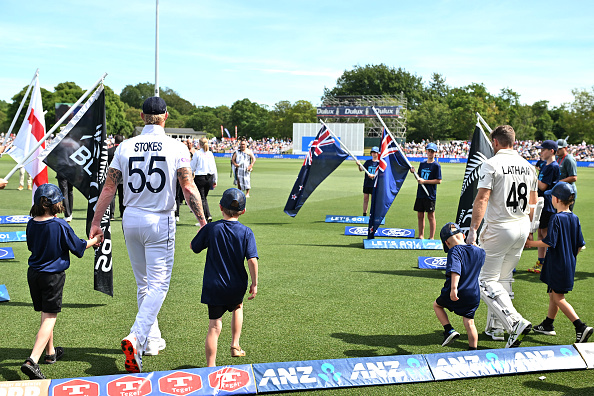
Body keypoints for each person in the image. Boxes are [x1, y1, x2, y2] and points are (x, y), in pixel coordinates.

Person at [89, 97, 207, 373]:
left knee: (144, 283)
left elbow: (108, 188)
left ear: (142, 116)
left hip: (130, 218)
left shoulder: (124, 146)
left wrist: (97, 222)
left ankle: (152, 341)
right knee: (159, 285)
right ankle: (137, 336)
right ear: (165, 116)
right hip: (159, 219)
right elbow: (188, 187)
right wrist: (202, 221)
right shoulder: (176, 146)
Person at [467, 125, 538, 348]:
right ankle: (497, 328)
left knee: (484, 281)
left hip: (500, 227)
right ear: (513, 142)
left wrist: (472, 231)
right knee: (503, 279)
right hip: (522, 224)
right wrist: (529, 229)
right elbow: (534, 202)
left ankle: (514, 322)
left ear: (495, 143)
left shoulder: (492, 163)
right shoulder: (529, 166)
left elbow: (482, 199)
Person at [21, 184, 97, 380]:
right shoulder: (60, 225)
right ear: (56, 204)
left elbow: (31, 246)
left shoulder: (31, 223)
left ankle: (50, 353)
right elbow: (78, 247)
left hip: (34, 274)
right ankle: (32, 361)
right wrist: (95, 240)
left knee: (45, 313)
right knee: (50, 317)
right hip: (52, 276)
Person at [191, 188, 258, 367]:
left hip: (214, 285)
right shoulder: (246, 232)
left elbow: (194, 247)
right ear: (243, 211)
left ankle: (211, 367)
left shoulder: (212, 228)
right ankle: (235, 345)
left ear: (220, 207)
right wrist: (254, 283)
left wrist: (203, 231)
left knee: (214, 326)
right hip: (236, 284)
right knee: (237, 307)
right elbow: (252, 260)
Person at [525, 182, 592, 343]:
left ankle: (580, 326)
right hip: (569, 263)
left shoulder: (556, 218)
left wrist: (530, 244)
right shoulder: (574, 218)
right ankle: (548, 324)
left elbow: (549, 242)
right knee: (553, 293)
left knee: (558, 297)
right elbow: (579, 244)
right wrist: (569, 256)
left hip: (557, 264)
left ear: (556, 199)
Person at [434, 222, 485, 350]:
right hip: (473, 294)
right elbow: (481, 253)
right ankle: (473, 350)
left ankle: (449, 330)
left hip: (458, 291)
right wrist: (475, 247)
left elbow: (455, 269)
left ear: (447, 243)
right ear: (463, 235)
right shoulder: (479, 252)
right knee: (470, 323)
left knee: (437, 305)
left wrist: (453, 288)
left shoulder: (454, 251)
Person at [529, 140, 559, 274]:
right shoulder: (546, 165)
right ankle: (541, 262)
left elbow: (542, 186)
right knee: (541, 232)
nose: (541, 152)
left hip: (547, 203)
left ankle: (548, 262)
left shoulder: (553, 166)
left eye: (543, 149)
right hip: (542, 203)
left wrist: (531, 177)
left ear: (551, 151)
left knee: (546, 234)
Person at [410, 143, 442, 239]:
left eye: (432, 151)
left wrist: (425, 181)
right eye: (429, 151)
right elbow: (419, 178)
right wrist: (414, 173)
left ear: (435, 153)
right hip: (420, 193)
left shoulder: (436, 166)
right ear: (426, 151)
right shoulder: (422, 164)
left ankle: (431, 237)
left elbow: (438, 180)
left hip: (430, 194)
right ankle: (421, 235)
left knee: (430, 216)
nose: (430, 153)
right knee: (420, 215)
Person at [191, 137, 218, 223]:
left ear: (199, 144)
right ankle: (207, 216)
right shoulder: (210, 153)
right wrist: (215, 180)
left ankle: (205, 217)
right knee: (204, 198)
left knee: (201, 199)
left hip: (200, 178)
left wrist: (190, 175)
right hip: (209, 177)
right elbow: (214, 168)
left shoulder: (197, 153)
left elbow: (192, 167)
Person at [556, 138, 577, 210]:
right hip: (559, 191)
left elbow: (574, 177)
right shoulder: (557, 157)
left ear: (565, 148)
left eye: (559, 148)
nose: (557, 150)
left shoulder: (569, 159)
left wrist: (558, 182)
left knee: (565, 215)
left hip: (568, 193)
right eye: (556, 148)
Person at [108, 135, 125, 219]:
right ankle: (122, 213)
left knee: (112, 196)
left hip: (112, 177)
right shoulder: (124, 152)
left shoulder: (109, 151)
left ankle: (111, 214)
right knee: (122, 196)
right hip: (123, 177)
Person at [358, 146, 379, 216]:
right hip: (367, 183)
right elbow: (361, 169)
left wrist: (373, 176)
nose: (373, 154)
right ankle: (364, 213)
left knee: (373, 200)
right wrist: (359, 165)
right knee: (365, 199)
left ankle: (372, 214)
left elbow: (381, 174)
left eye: (375, 152)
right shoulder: (368, 162)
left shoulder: (379, 163)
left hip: (375, 184)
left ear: (377, 153)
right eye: (372, 152)